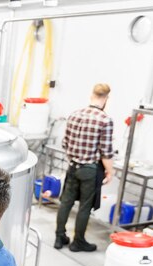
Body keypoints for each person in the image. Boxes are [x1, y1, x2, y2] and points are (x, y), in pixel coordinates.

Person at [54, 83, 114, 252]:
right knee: (85, 206)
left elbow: (65, 143)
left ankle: (59, 237)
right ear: (106, 98)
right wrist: (110, 171)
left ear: (92, 95)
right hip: (90, 170)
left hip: (72, 167)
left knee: (65, 202)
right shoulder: (105, 120)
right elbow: (106, 151)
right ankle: (78, 241)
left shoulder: (75, 114)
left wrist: (74, 156)